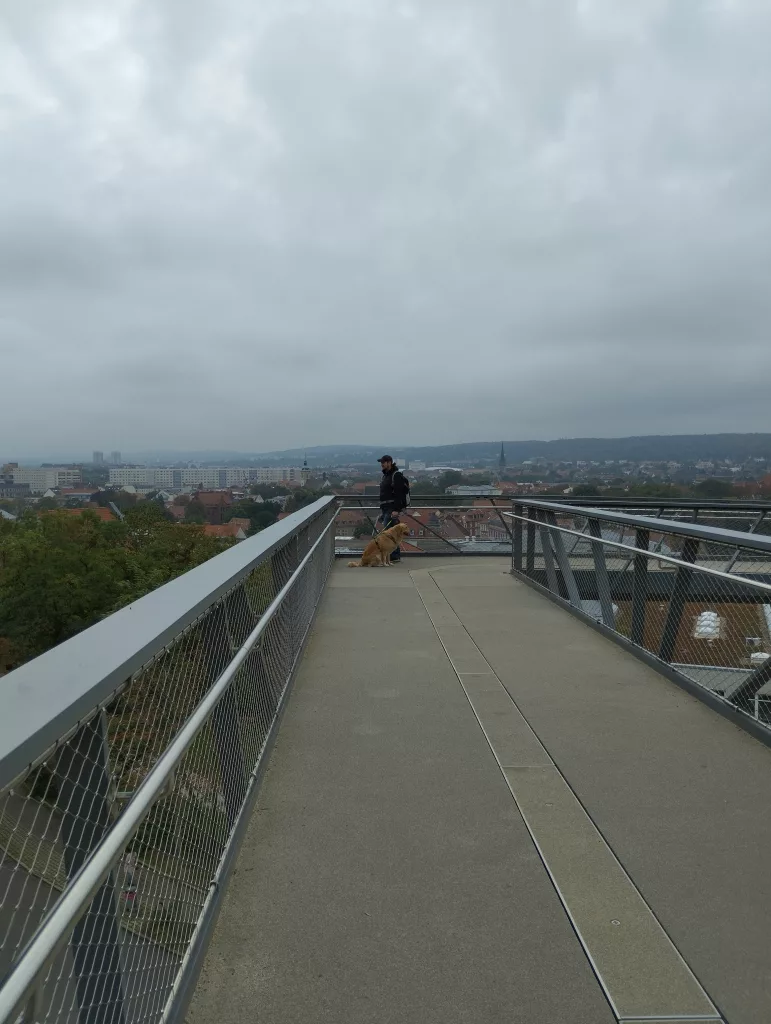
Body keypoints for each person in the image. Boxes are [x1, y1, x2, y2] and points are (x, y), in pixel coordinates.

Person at [377, 455, 409, 563]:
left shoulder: (396, 475)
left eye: (383, 462)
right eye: (381, 462)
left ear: (390, 462)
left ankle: (394, 555)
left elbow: (399, 494)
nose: (381, 464)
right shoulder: (386, 475)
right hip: (386, 508)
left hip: (392, 509)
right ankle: (393, 555)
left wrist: (396, 509)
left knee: (390, 533)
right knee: (392, 532)